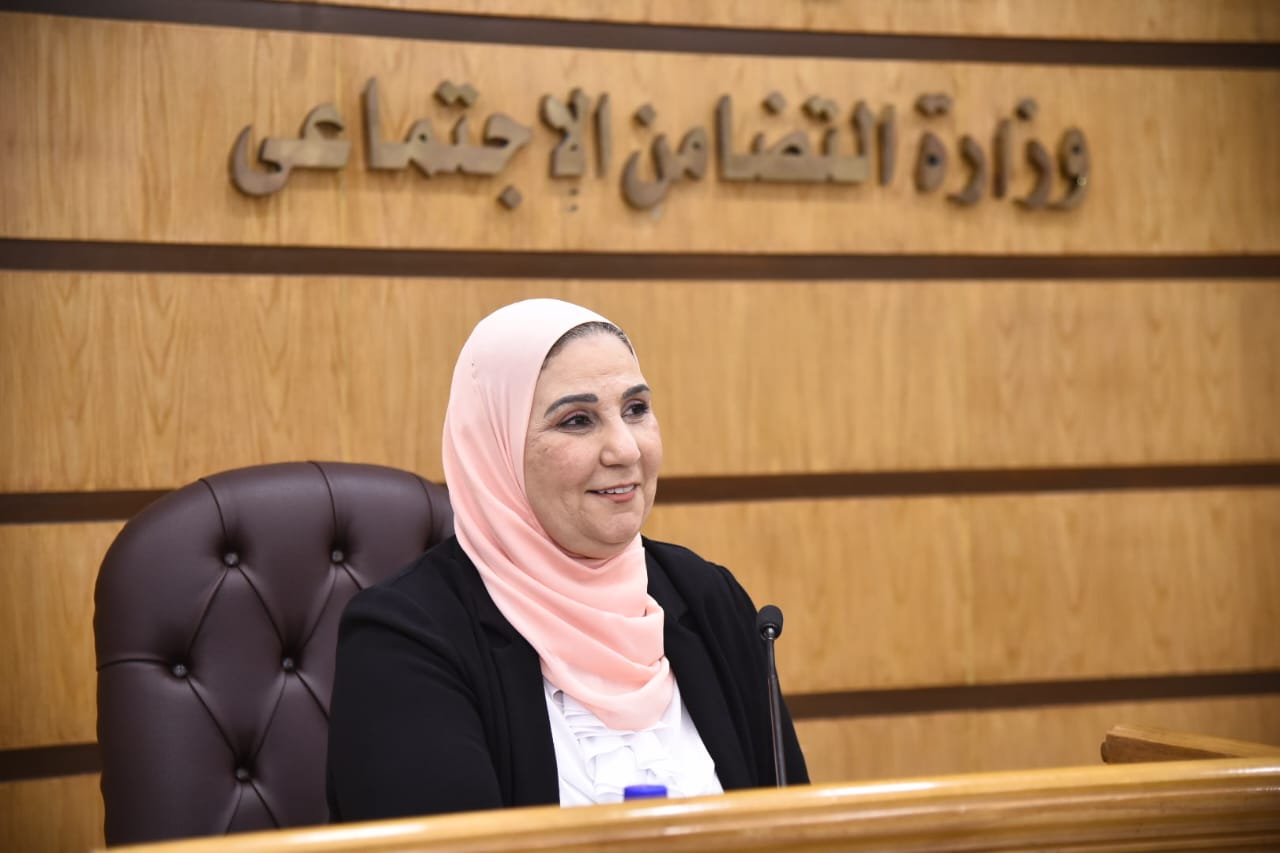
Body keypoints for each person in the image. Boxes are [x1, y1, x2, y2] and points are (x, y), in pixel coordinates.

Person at [326, 298, 807, 822]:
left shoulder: (708, 598)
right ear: (496, 447)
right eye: (578, 420)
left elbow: (797, 830)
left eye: (636, 409)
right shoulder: (405, 638)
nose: (625, 449)